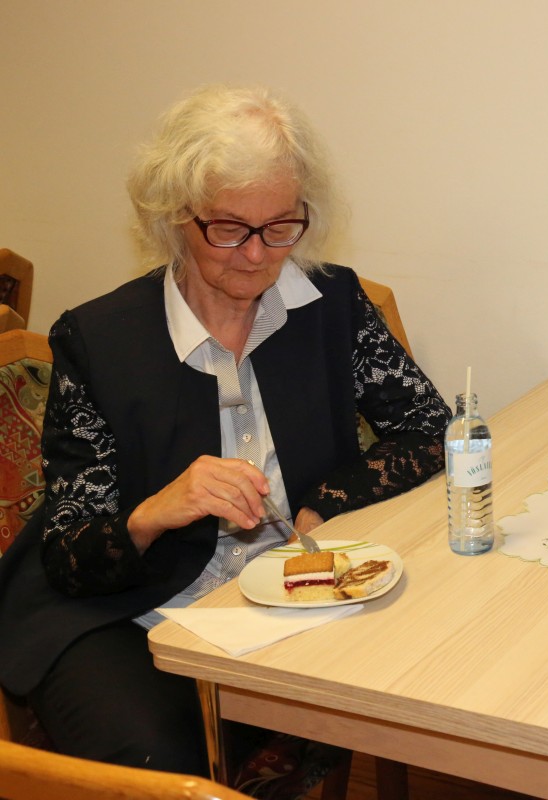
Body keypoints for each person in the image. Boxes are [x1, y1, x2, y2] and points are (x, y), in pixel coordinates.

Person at [0, 84, 452, 777]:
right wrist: (156, 511)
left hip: (290, 595)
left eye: (281, 226)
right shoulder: (99, 339)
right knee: (161, 762)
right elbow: (68, 555)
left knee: (431, 668)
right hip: (128, 611)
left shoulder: (331, 302)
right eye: (230, 228)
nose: (256, 254)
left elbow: (428, 429)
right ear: (174, 216)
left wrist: (325, 503)